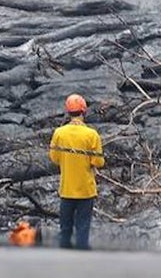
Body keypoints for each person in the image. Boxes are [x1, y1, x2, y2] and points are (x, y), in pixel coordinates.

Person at [48, 94, 104, 250]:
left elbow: (54, 157)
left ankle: (64, 261)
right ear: (83, 111)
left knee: (65, 229)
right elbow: (98, 162)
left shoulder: (59, 133)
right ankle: (83, 261)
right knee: (83, 227)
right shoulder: (92, 135)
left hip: (66, 189)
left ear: (68, 112)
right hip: (86, 190)